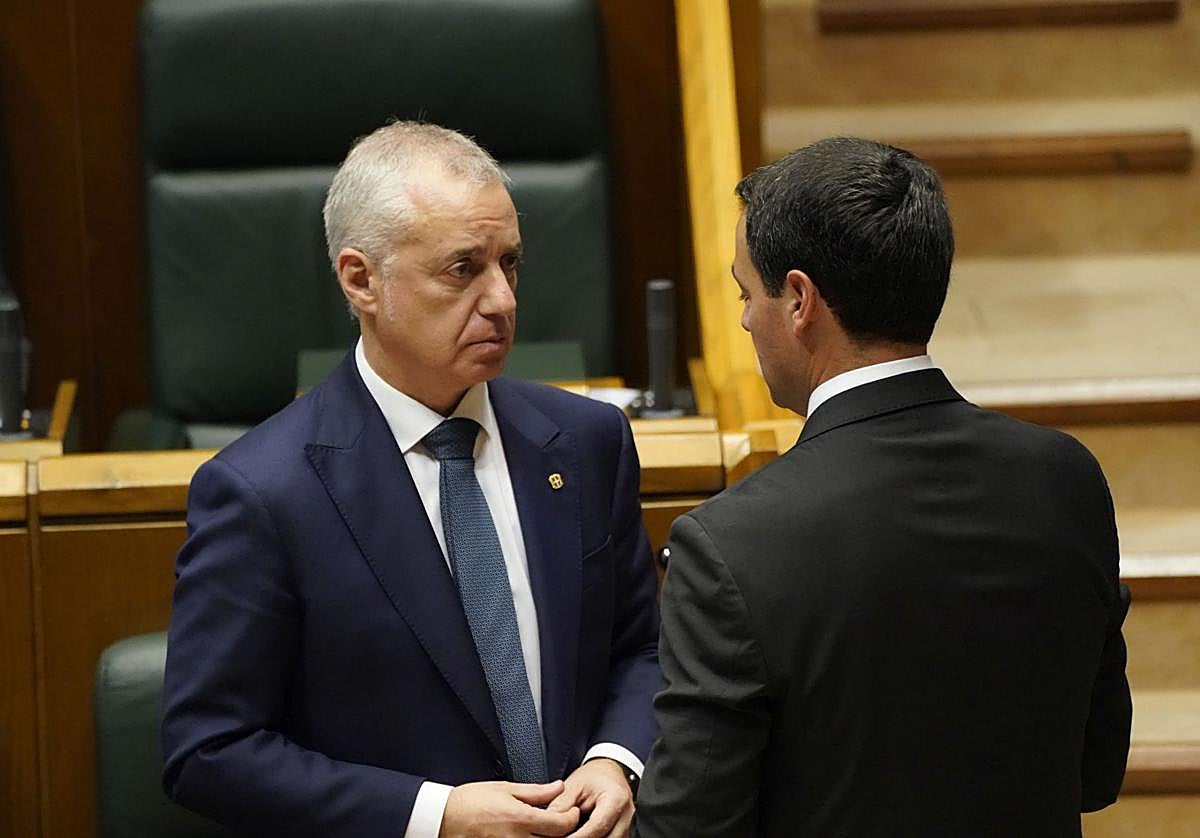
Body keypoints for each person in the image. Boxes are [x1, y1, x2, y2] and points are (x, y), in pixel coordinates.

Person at [161, 121, 660, 838]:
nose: (503, 301)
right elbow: (208, 751)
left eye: (510, 264)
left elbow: (639, 648)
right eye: (464, 270)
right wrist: (437, 816)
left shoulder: (585, 443)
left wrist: (616, 761)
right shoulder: (262, 493)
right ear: (361, 279)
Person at [634, 137, 1131, 837]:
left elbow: (689, 825)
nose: (745, 319)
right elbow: (1097, 770)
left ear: (800, 300)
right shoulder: (1067, 479)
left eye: (748, 293)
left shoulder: (730, 544)